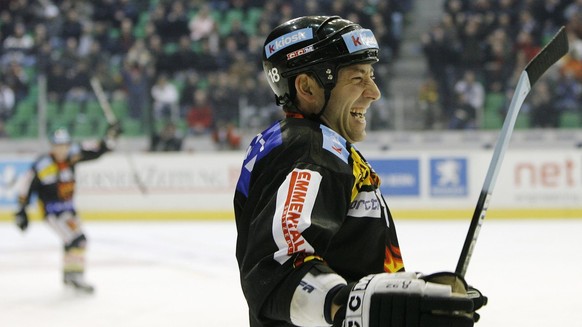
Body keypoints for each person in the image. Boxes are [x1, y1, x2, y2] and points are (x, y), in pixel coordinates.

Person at [233, 16, 487, 327]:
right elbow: (278, 269)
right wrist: (348, 305)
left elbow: (351, 268)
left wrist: (415, 296)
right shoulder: (311, 152)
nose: (374, 92)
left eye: (371, 76)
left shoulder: (306, 144)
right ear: (307, 87)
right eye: (357, 79)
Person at [14, 123, 122, 293]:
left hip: (69, 211)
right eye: (58, 146)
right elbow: (26, 186)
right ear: (52, 146)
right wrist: (21, 210)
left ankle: (69, 274)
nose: (62, 150)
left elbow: (97, 150)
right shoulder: (43, 165)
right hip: (53, 213)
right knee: (77, 240)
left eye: (65, 145)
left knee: (73, 240)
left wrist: (111, 138)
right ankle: (75, 276)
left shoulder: (72, 157)